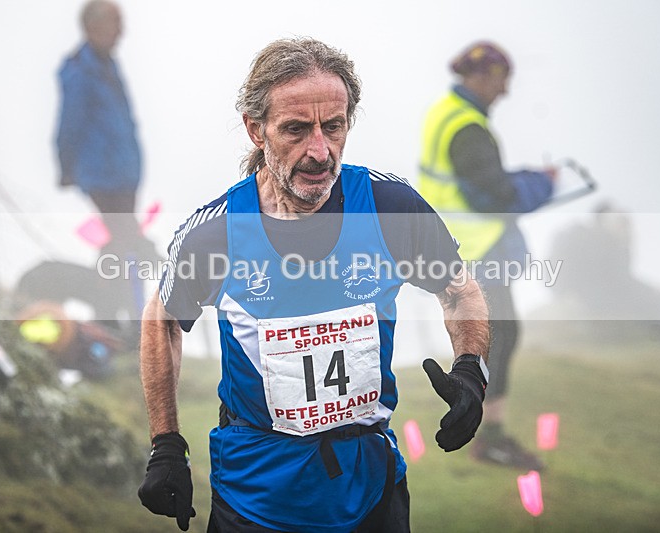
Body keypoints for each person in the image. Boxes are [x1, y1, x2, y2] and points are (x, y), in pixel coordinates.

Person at [137, 37, 491, 532]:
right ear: (256, 130)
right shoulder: (214, 232)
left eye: (334, 126)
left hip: (368, 486)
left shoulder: (391, 208)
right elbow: (162, 321)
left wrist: (472, 370)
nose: (319, 151)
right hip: (256, 494)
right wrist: (166, 445)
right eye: (297, 130)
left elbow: (457, 289)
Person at [418, 41, 555, 470]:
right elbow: (497, 195)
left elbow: (482, 181)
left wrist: (531, 177)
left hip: (461, 244)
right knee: (499, 337)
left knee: (498, 336)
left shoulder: (450, 115)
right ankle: (487, 436)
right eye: (502, 80)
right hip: (475, 250)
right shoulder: (469, 128)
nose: (506, 91)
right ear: (482, 76)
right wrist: (544, 186)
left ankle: (484, 430)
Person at [55, 0, 154, 261]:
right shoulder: (80, 70)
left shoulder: (108, 65)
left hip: (123, 173)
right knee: (125, 239)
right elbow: (69, 124)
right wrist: (66, 167)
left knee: (126, 240)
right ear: (93, 26)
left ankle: (125, 293)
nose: (121, 32)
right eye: (115, 24)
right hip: (102, 175)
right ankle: (115, 295)